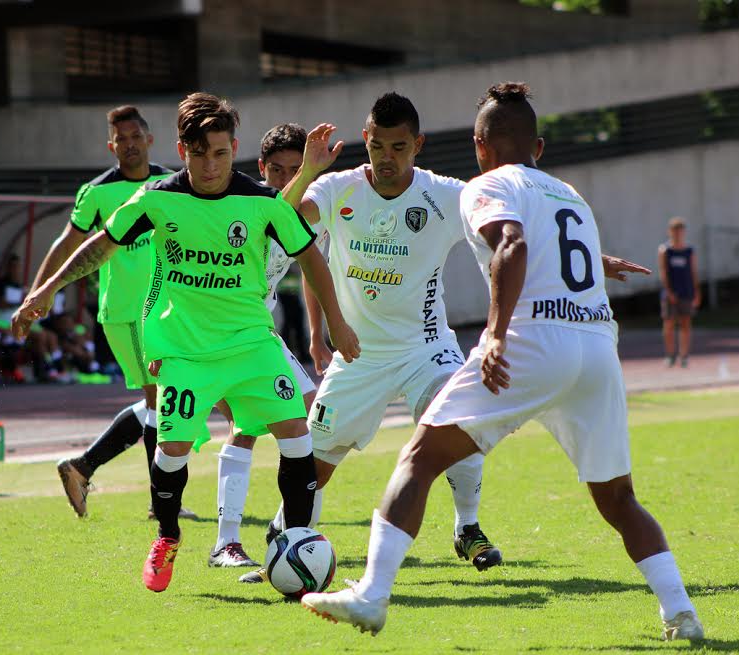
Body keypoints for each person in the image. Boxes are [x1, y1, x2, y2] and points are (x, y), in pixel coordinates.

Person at [300, 82, 704, 644]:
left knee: (418, 457)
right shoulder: (568, 193)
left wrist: (493, 335)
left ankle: (371, 594)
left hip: (535, 344)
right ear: (536, 147)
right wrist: (598, 262)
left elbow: (511, 242)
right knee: (618, 498)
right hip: (595, 349)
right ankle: (681, 614)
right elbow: (551, 247)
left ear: (479, 145)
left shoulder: (486, 184)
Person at [12, 92, 359, 594]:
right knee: (171, 449)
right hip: (185, 352)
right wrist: (46, 290)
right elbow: (100, 246)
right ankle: (168, 537)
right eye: (200, 154)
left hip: (251, 345)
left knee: (298, 435)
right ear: (182, 150)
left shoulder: (259, 202)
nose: (211, 164)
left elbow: (310, 258)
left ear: (234, 148)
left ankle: (297, 539)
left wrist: (336, 325)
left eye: (220, 153)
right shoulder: (157, 198)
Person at [245, 93, 503, 585]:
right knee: (313, 465)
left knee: (459, 428)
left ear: (418, 145)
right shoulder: (336, 188)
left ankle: (467, 528)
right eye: (378, 145)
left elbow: (508, 231)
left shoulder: (445, 195)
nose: (387, 158)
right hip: (358, 355)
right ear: (365, 140)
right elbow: (279, 223)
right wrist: (308, 171)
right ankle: (286, 544)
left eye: (399, 147)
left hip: (426, 347)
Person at [11, 105, 193, 520]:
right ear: (111, 145)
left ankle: (82, 467)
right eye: (120, 139)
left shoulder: (169, 185)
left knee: (172, 400)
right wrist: (39, 293)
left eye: (135, 136)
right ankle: (160, 503)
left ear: (149, 139)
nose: (129, 144)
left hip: (170, 311)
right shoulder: (97, 193)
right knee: (160, 399)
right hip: (128, 313)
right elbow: (66, 244)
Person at [209, 123, 324, 568]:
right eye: (277, 170)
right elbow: (279, 210)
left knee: (312, 415)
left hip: (257, 332)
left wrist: (317, 335)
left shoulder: (308, 210)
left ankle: (285, 530)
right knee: (250, 424)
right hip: (221, 331)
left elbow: (314, 270)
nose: (284, 178)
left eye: (295, 169)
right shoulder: (253, 202)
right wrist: (310, 173)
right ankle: (230, 541)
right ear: (261, 168)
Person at [658, 217, 700, 368]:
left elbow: (693, 272)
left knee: (686, 324)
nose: (678, 234)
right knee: (669, 324)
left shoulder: (689, 251)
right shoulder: (665, 250)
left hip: (686, 291)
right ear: (670, 232)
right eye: (675, 231)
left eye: (680, 231)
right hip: (671, 293)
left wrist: (697, 292)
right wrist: (669, 291)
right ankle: (670, 355)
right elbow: (663, 272)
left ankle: (684, 356)